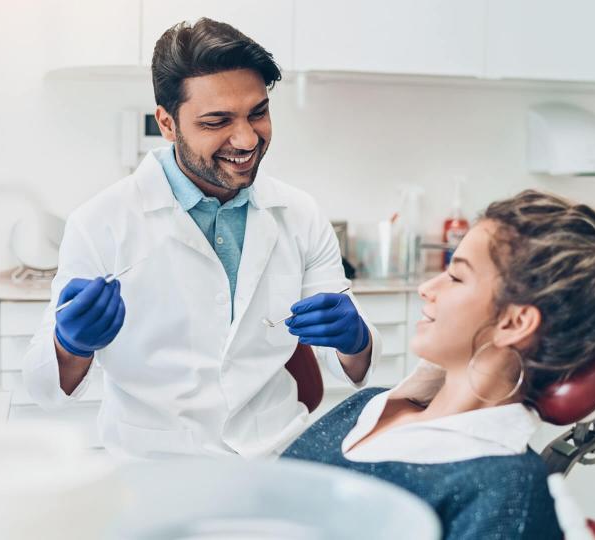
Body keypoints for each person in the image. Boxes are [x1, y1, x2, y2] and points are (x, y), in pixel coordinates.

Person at [23, 18, 381, 459]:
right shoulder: (101, 222)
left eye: (258, 113)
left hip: (277, 457)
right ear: (168, 124)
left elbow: (355, 367)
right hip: (156, 467)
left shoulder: (299, 213)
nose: (248, 138)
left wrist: (354, 339)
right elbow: (43, 389)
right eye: (217, 121)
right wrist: (70, 345)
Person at [283, 190, 595, 539]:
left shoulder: (505, 487)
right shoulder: (365, 407)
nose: (427, 288)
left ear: (515, 322)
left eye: (456, 277)